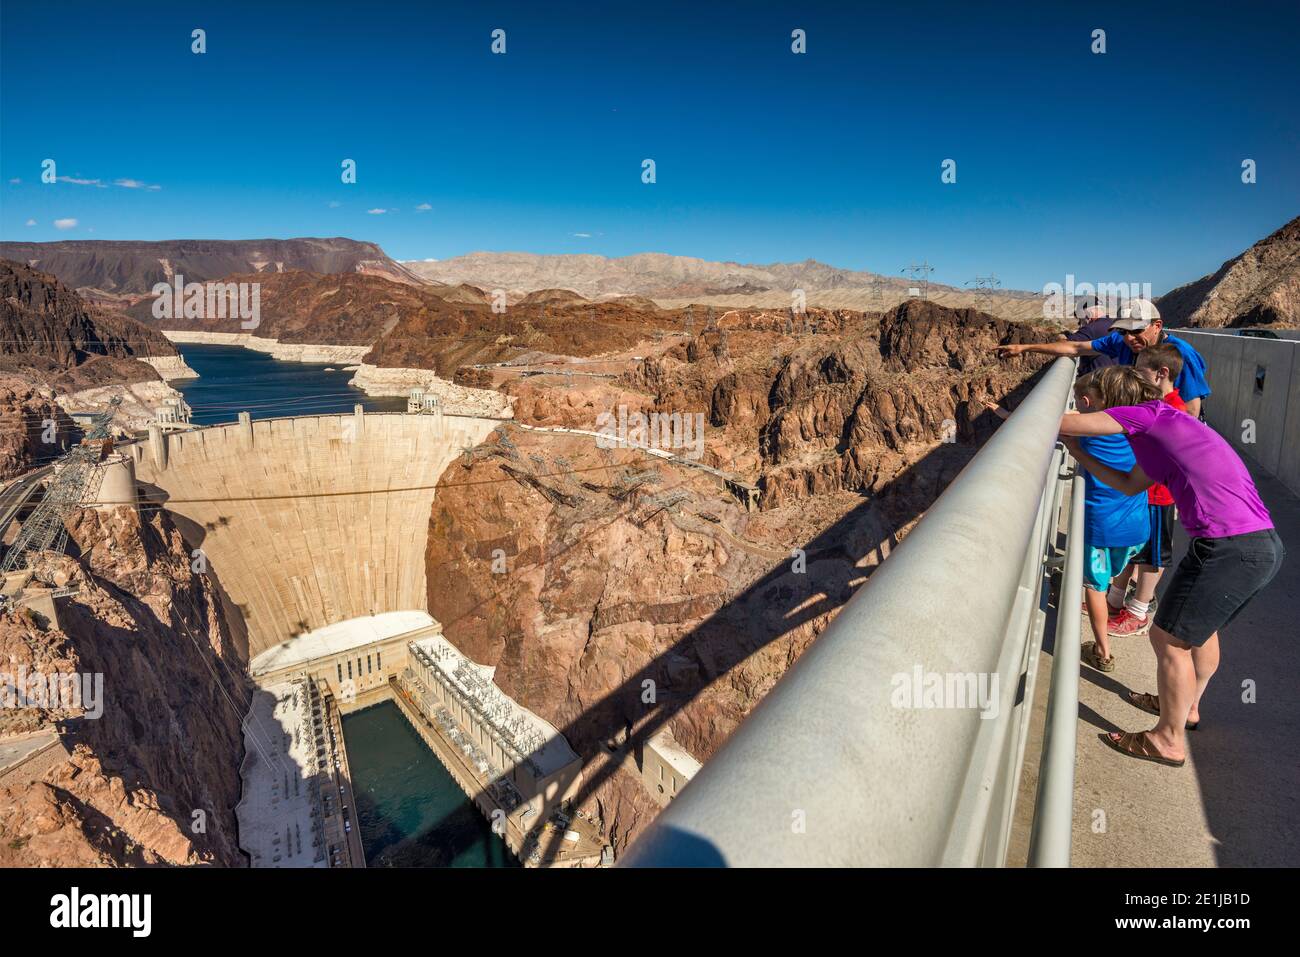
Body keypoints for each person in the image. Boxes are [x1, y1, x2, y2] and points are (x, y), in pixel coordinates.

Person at [1058, 366, 1284, 768]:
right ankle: (1185, 708)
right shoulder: (1166, 430)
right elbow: (1128, 483)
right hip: (1256, 544)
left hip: (1227, 546)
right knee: (1198, 631)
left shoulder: (1144, 415)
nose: (1081, 405)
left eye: (1085, 399)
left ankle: (1167, 739)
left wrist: (1006, 418)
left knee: (1167, 639)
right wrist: (1078, 453)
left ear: (1109, 400)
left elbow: (1060, 421)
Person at [996, 298, 1211, 419]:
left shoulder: (1182, 355)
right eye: (1123, 331)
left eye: (1136, 331)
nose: (1129, 338)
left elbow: (1191, 410)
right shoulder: (1120, 342)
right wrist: (1024, 347)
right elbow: (1075, 347)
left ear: (1157, 326)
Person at [1105, 343, 1189, 637]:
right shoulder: (1157, 405)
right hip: (1143, 493)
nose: (1135, 375)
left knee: (1153, 556)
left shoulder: (1174, 410)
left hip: (1159, 497)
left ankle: (1139, 612)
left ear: (1161, 373)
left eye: (1140, 370)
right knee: (1134, 549)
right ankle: (1115, 599)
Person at [1068, 373, 1150, 672]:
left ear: (1086, 403)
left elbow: (1054, 423)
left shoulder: (1088, 434)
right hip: (1138, 527)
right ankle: (1120, 602)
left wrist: (1004, 414)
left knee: (1094, 587)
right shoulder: (1140, 429)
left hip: (1101, 527)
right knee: (1117, 571)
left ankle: (1102, 651)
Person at [1063, 294, 1117, 376]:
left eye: (1080, 318)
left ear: (1087, 313)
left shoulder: (1092, 328)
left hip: (1097, 382)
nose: (1079, 323)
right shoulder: (1111, 324)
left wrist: (1061, 336)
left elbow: (1064, 344)